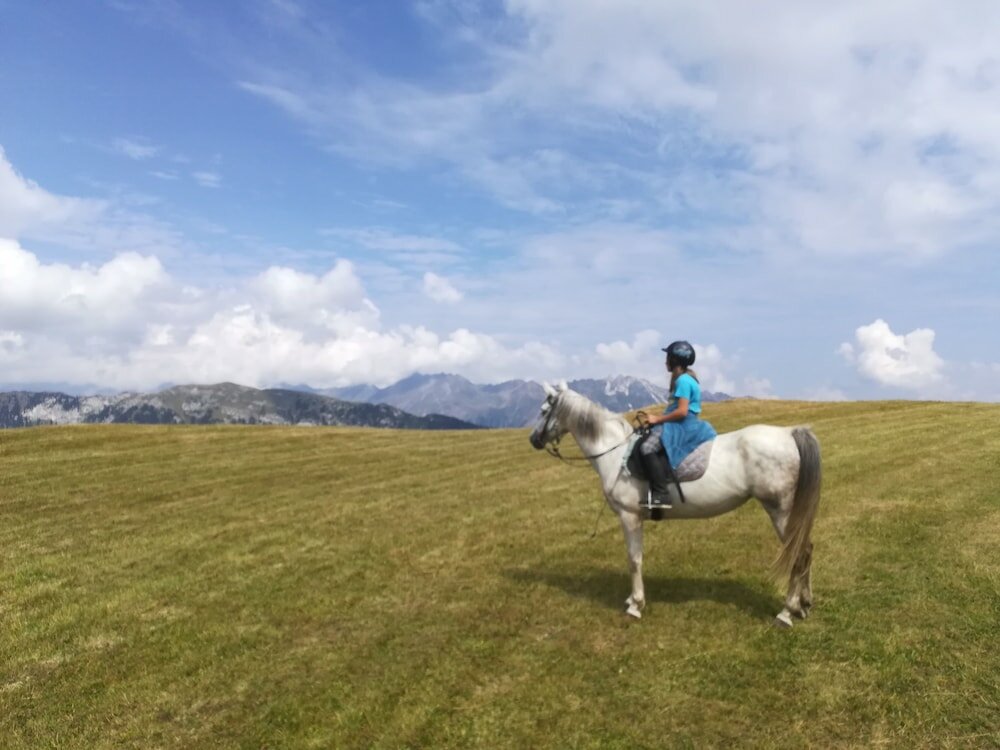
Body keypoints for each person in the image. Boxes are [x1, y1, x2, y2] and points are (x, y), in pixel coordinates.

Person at [637, 340, 717, 508]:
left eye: (667, 358)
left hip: (682, 425)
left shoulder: (683, 381)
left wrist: (657, 419)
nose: (665, 362)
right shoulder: (686, 379)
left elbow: (681, 412)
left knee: (647, 448)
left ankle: (661, 494)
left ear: (674, 360)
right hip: (679, 423)